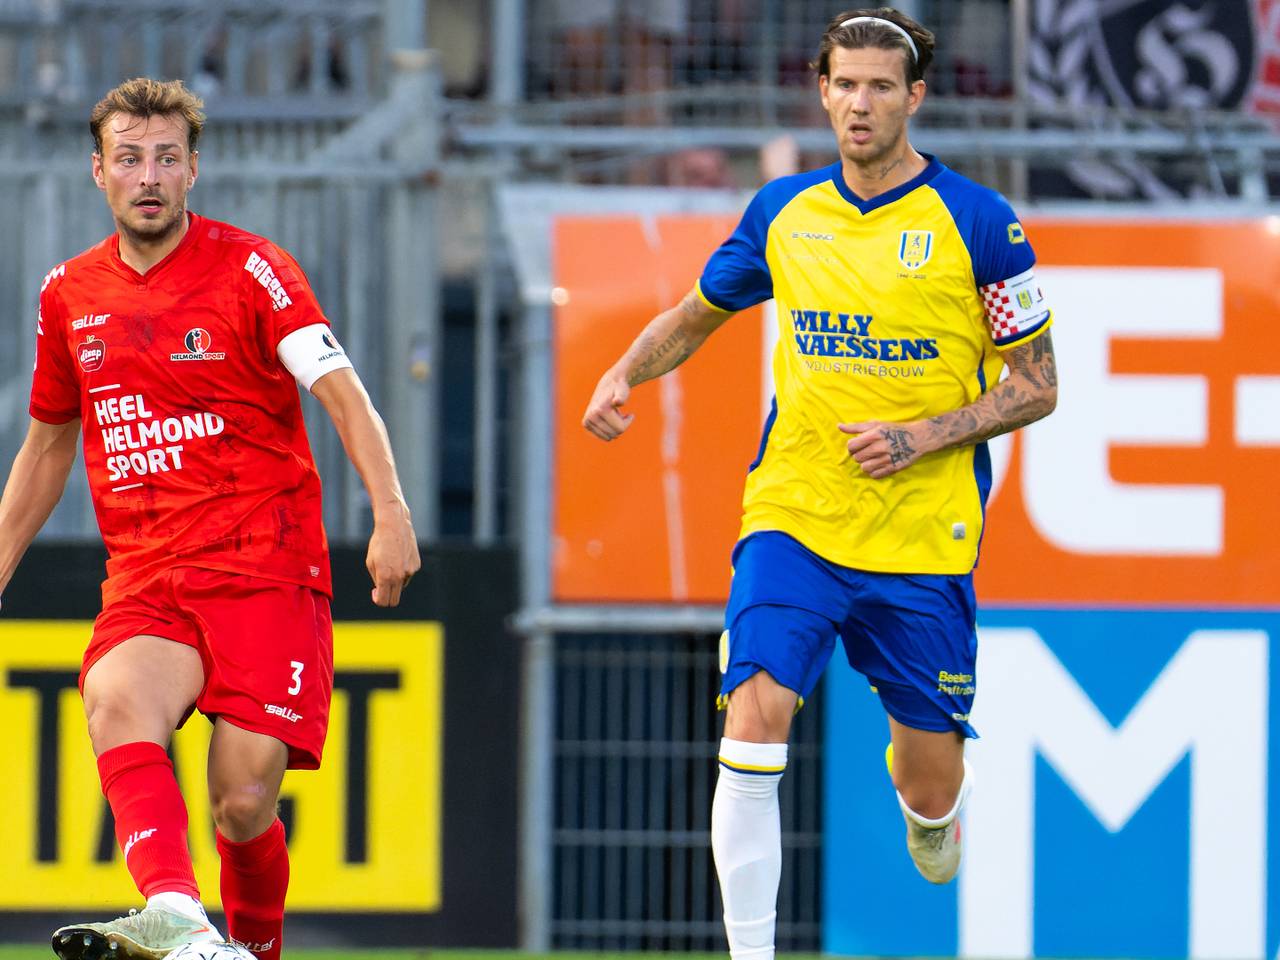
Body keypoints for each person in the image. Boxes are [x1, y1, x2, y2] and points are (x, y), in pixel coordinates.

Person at [582, 9, 1057, 960]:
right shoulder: (784, 213)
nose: (860, 104)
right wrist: (625, 371)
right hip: (795, 513)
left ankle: (931, 808)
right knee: (755, 714)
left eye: (882, 86)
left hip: (922, 535)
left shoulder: (981, 226)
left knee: (928, 780)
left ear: (914, 98)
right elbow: (695, 312)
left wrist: (921, 435)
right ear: (823, 91)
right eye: (845, 85)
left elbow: (1037, 386)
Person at [0, 78, 420, 960]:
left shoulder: (253, 270)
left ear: (193, 169)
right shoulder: (68, 295)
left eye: (164, 158)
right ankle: (182, 919)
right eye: (128, 159)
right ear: (99, 172)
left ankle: (250, 950)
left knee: (241, 799)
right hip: (151, 577)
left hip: (266, 568)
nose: (146, 176)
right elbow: (46, 448)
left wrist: (389, 510)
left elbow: (342, 394)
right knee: (114, 696)